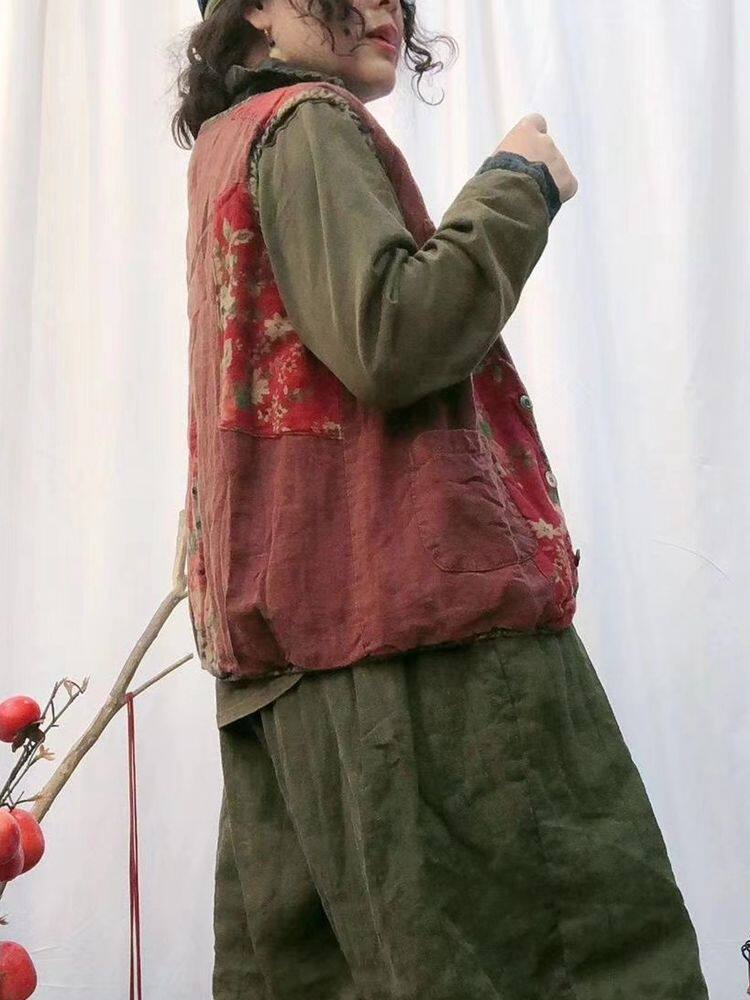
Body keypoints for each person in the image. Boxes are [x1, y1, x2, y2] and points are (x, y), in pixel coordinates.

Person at [172, 2, 710, 997]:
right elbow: (394, 336)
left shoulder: (228, 148)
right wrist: (517, 187)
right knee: (575, 963)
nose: (390, 6)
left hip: (290, 667)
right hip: (419, 661)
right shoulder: (307, 124)